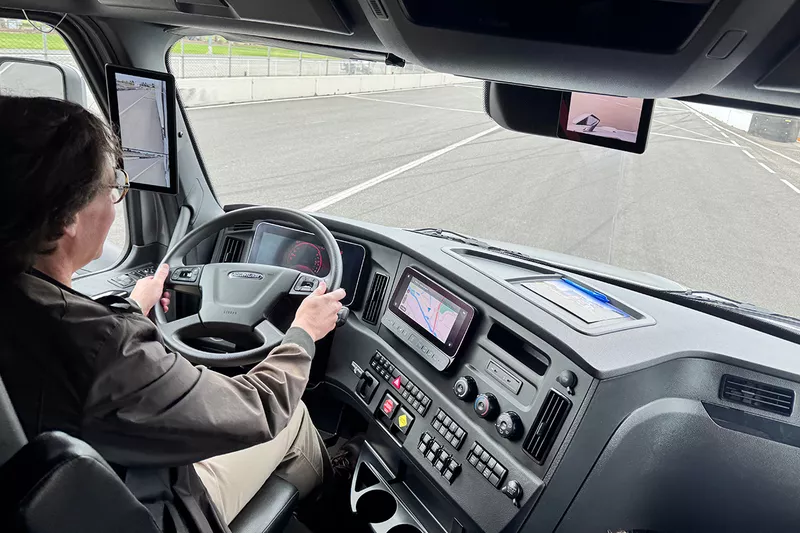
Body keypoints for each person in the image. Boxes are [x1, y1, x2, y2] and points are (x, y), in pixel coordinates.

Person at [0, 95, 347, 532]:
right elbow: (259, 407)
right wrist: (303, 332)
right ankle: (335, 516)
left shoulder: (28, 303)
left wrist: (132, 309)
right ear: (68, 216)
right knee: (294, 418)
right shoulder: (109, 351)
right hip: (155, 510)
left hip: (85, 492)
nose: (116, 199)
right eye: (114, 187)